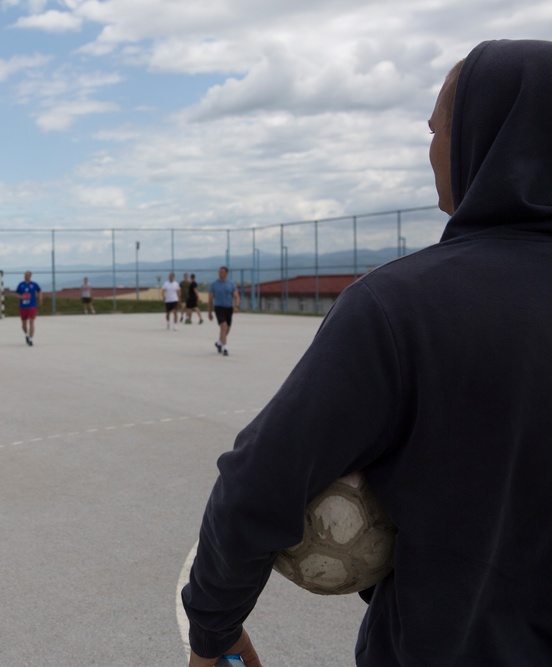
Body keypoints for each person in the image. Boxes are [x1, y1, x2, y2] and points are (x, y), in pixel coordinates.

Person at [182, 40, 552, 666]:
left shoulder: (400, 306)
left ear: (478, 143)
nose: (432, 149)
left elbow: (258, 483)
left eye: (437, 131)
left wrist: (212, 630)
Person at [207, 267, 239, 355]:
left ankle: (219, 342)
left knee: (227, 329)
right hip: (218, 307)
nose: (220, 273)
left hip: (229, 308)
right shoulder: (214, 284)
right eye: (219, 272)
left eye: (222, 272)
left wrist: (236, 306)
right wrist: (209, 312)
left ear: (226, 273)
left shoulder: (231, 284)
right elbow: (210, 300)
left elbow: (236, 296)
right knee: (223, 326)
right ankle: (225, 348)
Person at [15, 271, 42, 346]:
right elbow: (16, 294)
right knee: (24, 324)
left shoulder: (34, 284)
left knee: (31, 321)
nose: (26, 276)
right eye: (25, 275)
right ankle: (26, 334)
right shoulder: (21, 285)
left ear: (30, 276)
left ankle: (31, 339)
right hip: (23, 307)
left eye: (28, 275)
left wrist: (40, 298)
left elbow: (39, 291)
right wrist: (21, 297)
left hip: (32, 306)